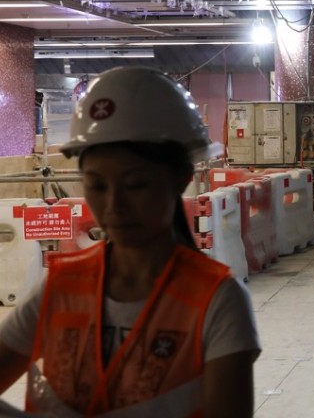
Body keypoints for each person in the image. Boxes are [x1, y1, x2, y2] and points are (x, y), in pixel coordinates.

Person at [0, 67, 260, 417]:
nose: (113, 207)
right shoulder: (62, 287)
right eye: (96, 185)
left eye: (136, 185)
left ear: (180, 179)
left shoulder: (218, 303)